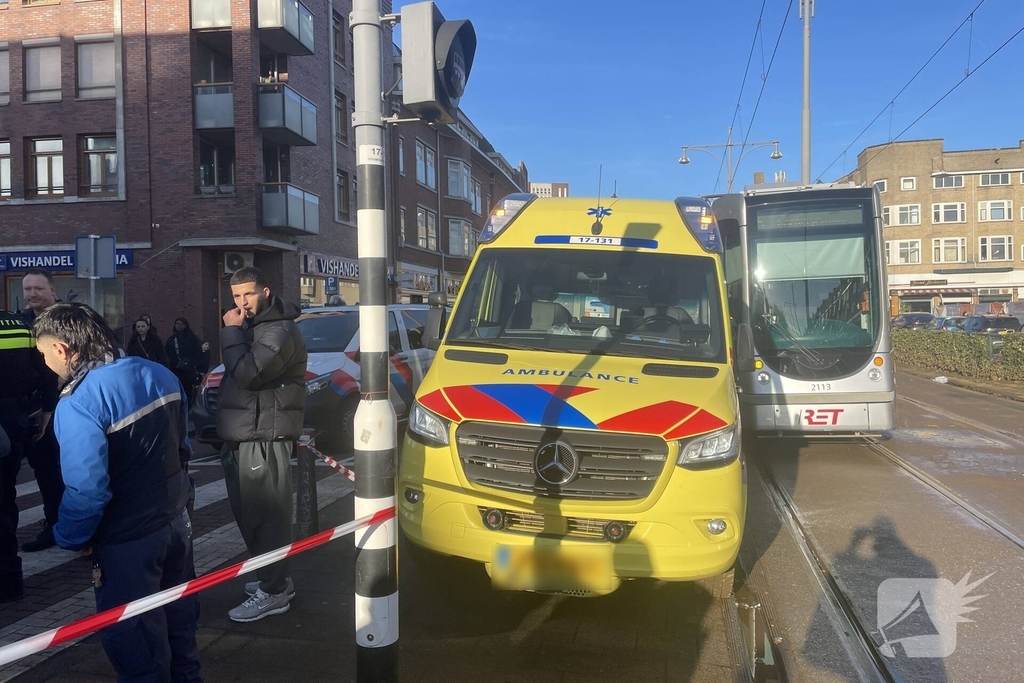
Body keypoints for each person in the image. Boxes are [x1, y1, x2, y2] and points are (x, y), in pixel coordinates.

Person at [32, 303, 202, 683]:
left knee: (137, 642)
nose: (45, 364)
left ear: (62, 349)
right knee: (181, 627)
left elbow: (88, 490)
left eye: (43, 354)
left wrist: (70, 537)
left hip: (128, 539)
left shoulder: (77, 404)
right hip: (176, 523)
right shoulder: (159, 373)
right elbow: (183, 449)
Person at [217, 266, 307, 622]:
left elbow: (248, 373)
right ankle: (274, 578)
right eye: (237, 296)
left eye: (248, 294)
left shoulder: (279, 330)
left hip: (263, 435)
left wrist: (229, 332)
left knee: (265, 517)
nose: (242, 303)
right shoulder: (258, 328)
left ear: (266, 291)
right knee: (250, 514)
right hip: (248, 431)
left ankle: (273, 590)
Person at [1, 309, 55, 600]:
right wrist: (47, 410)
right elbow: (47, 370)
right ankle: (10, 582)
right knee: (6, 500)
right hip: (14, 420)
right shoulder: (19, 325)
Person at [18, 269, 64, 552]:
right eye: (27, 289)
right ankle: (55, 524)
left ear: (52, 289)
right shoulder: (21, 322)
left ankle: (82, 529)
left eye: (38, 288)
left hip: (67, 404)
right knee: (45, 471)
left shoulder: (67, 319)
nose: (32, 294)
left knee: (74, 472)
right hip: (37, 411)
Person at [166, 318, 204, 403]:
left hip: (188, 370)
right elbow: (167, 352)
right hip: (175, 368)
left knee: (188, 390)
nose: (178, 326)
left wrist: (192, 363)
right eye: (177, 324)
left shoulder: (191, 338)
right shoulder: (171, 339)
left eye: (181, 324)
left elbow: (197, 352)